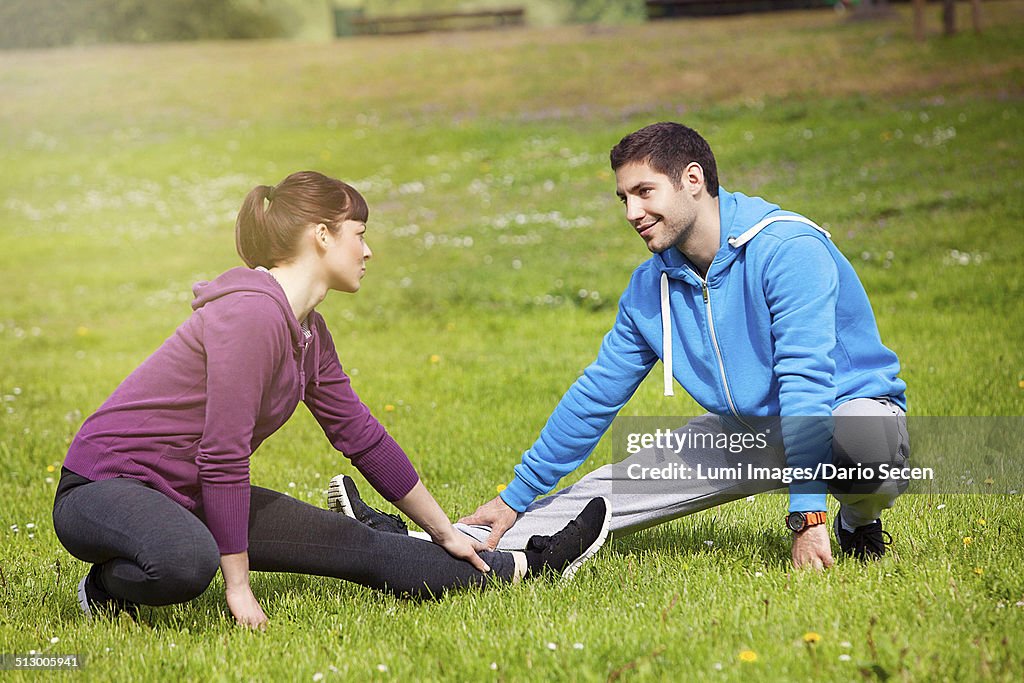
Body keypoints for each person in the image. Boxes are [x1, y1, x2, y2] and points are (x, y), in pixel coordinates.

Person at [52, 171, 610, 629]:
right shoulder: (250, 315)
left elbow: (361, 437)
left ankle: (527, 565)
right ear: (322, 234)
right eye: (358, 233)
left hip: (189, 494)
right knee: (186, 563)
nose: (367, 250)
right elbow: (222, 453)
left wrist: (446, 531)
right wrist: (239, 586)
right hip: (106, 488)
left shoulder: (308, 331)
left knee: (359, 547)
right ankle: (104, 592)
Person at [340, 123, 909, 571]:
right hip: (754, 432)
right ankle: (431, 543)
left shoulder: (787, 249)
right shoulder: (651, 286)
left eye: (644, 192)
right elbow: (595, 398)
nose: (632, 213)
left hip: (844, 414)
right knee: (600, 494)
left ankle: (857, 522)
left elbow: (806, 378)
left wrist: (807, 514)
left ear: (692, 179)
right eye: (623, 198)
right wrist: (513, 499)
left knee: (865, 443)